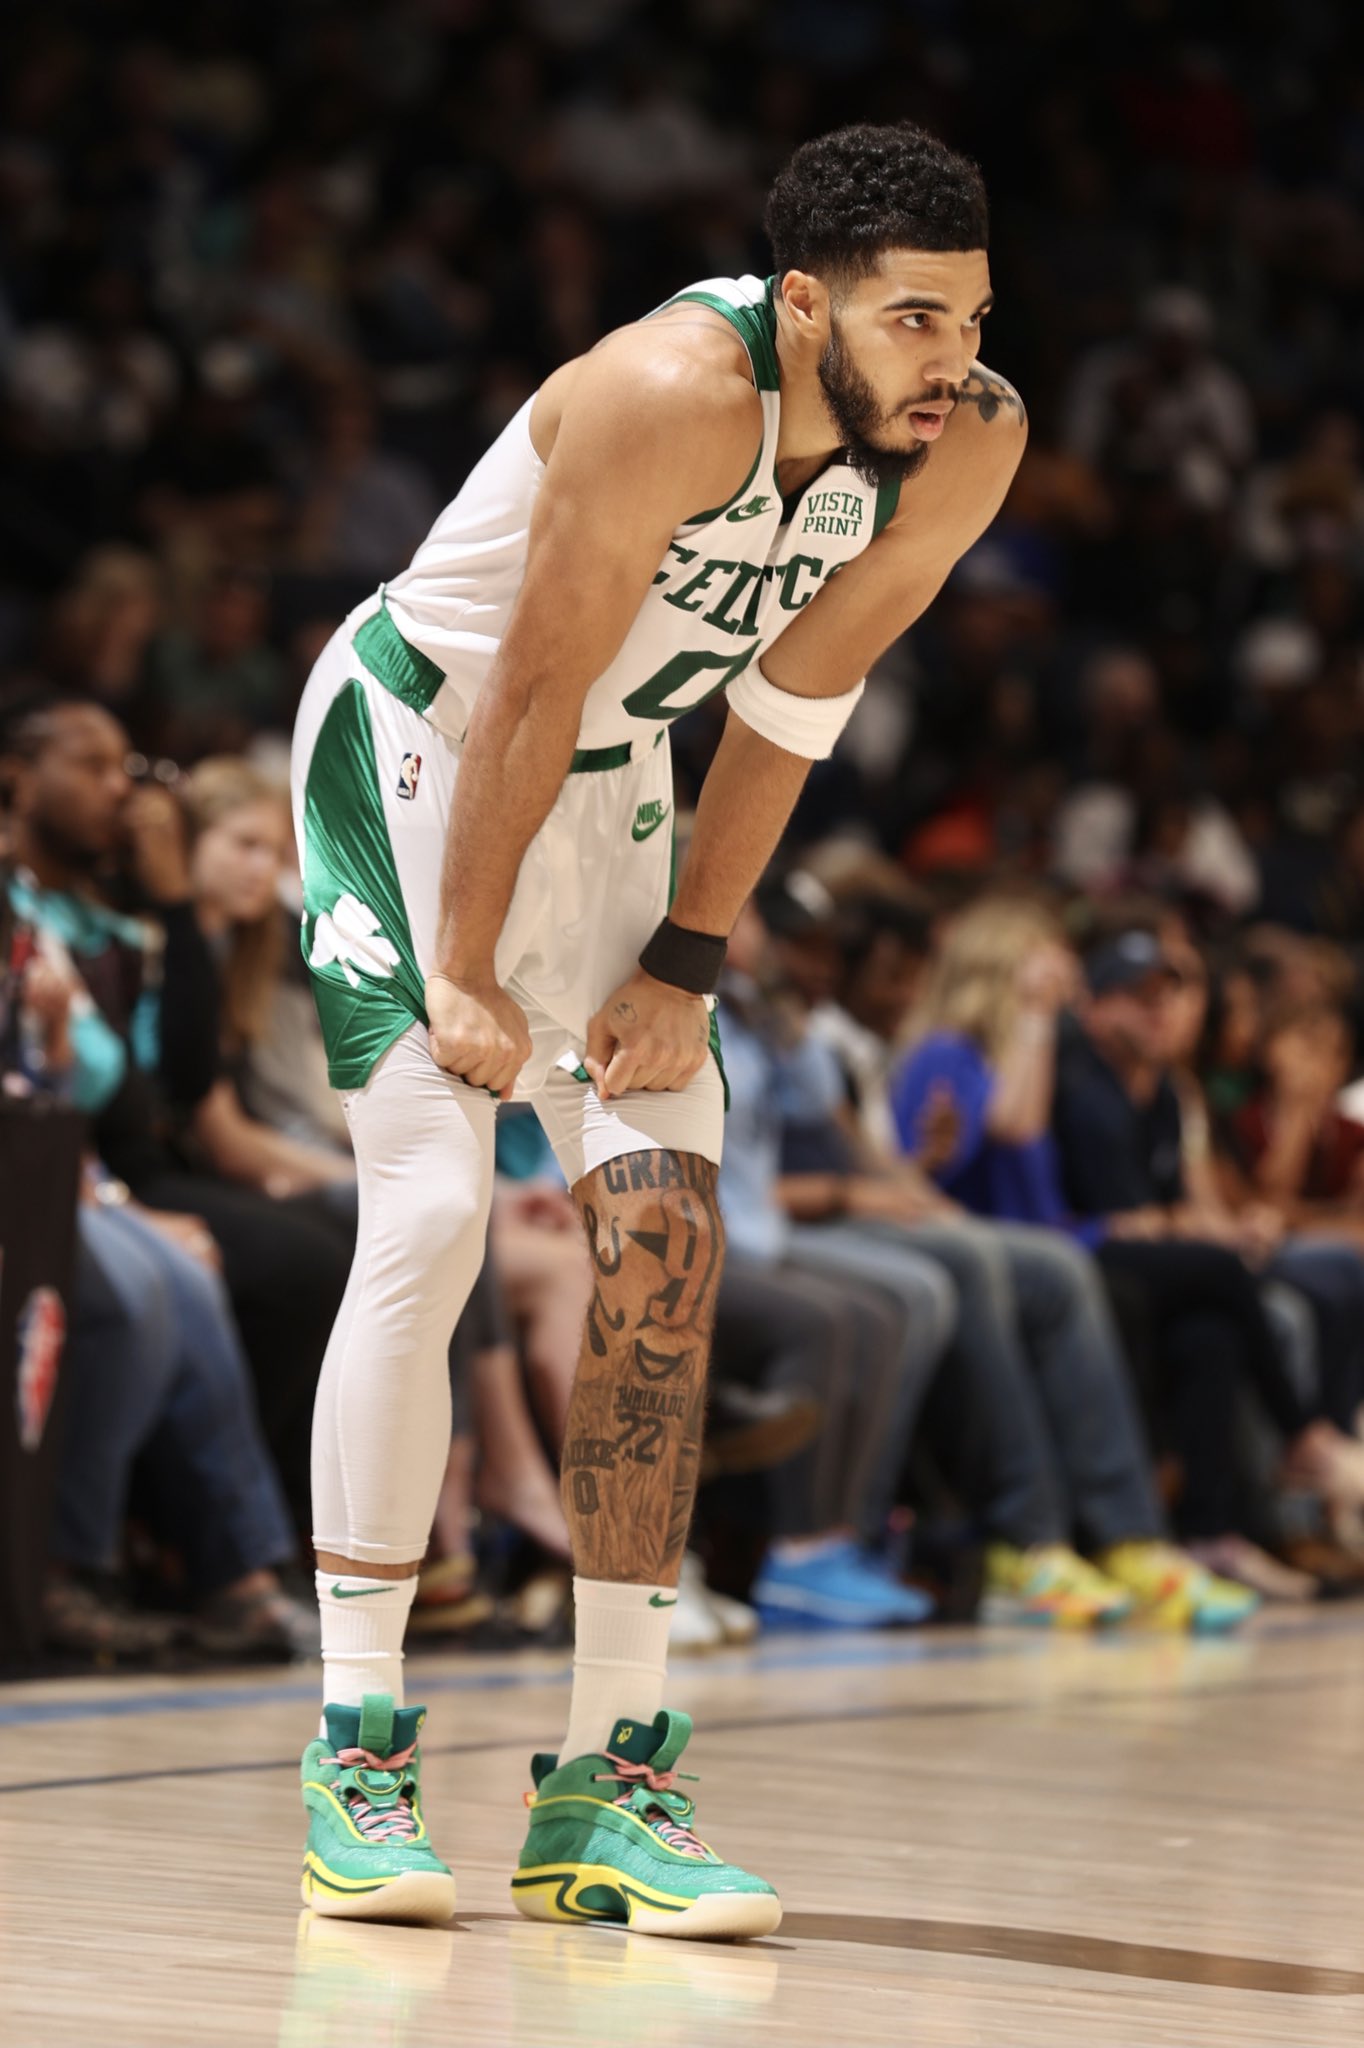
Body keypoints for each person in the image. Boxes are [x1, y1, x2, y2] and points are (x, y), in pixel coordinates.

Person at [289, 120, 1027, 1933]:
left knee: (666, 1240)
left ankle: (606, 1786)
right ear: (802, 306)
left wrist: (687, 960)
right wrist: (465, 965)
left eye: (974, 316)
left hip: (610, 786)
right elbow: (531, 673)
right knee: (442, 1210)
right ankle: (354, 1751)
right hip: (424, 748)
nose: (954, 361)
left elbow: (791, 710)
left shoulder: (968, 445)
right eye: (915, 320)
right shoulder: (662, 393)